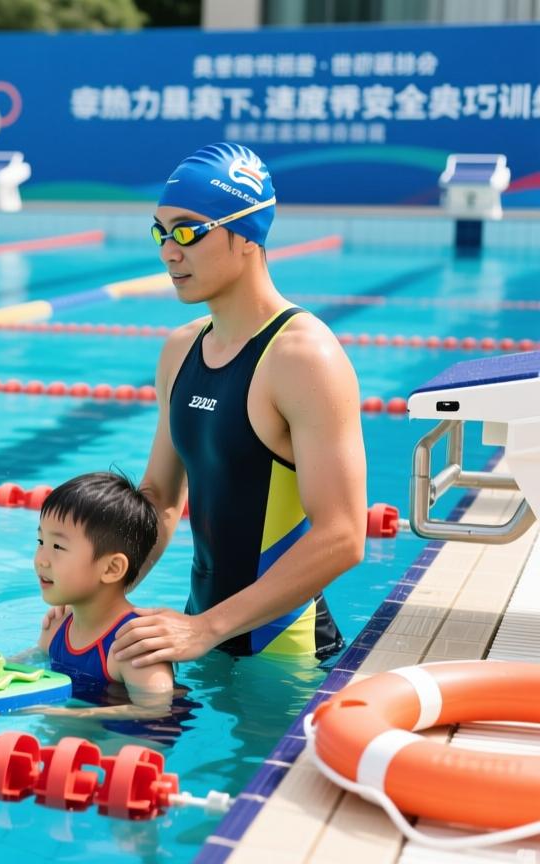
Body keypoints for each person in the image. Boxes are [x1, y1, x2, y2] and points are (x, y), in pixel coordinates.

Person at [107, 141, 368, 668]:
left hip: (283, 658)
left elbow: (342, 534)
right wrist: (102, 602)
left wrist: (206, 629)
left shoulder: (303, 356)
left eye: (187, 232)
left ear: (247, 234)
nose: (168, 252)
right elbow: (159, 497)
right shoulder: (181, 349)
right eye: (161, 232)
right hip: (196, 634)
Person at [36, 471, 174, 703]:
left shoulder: (135, 644)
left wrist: (56, 713)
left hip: (123, 737)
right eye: (41, 542)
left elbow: (155, 711)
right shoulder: (57, 627)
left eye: (58, 546)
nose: (41, 559)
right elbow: (30, 664)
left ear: (111, 569)